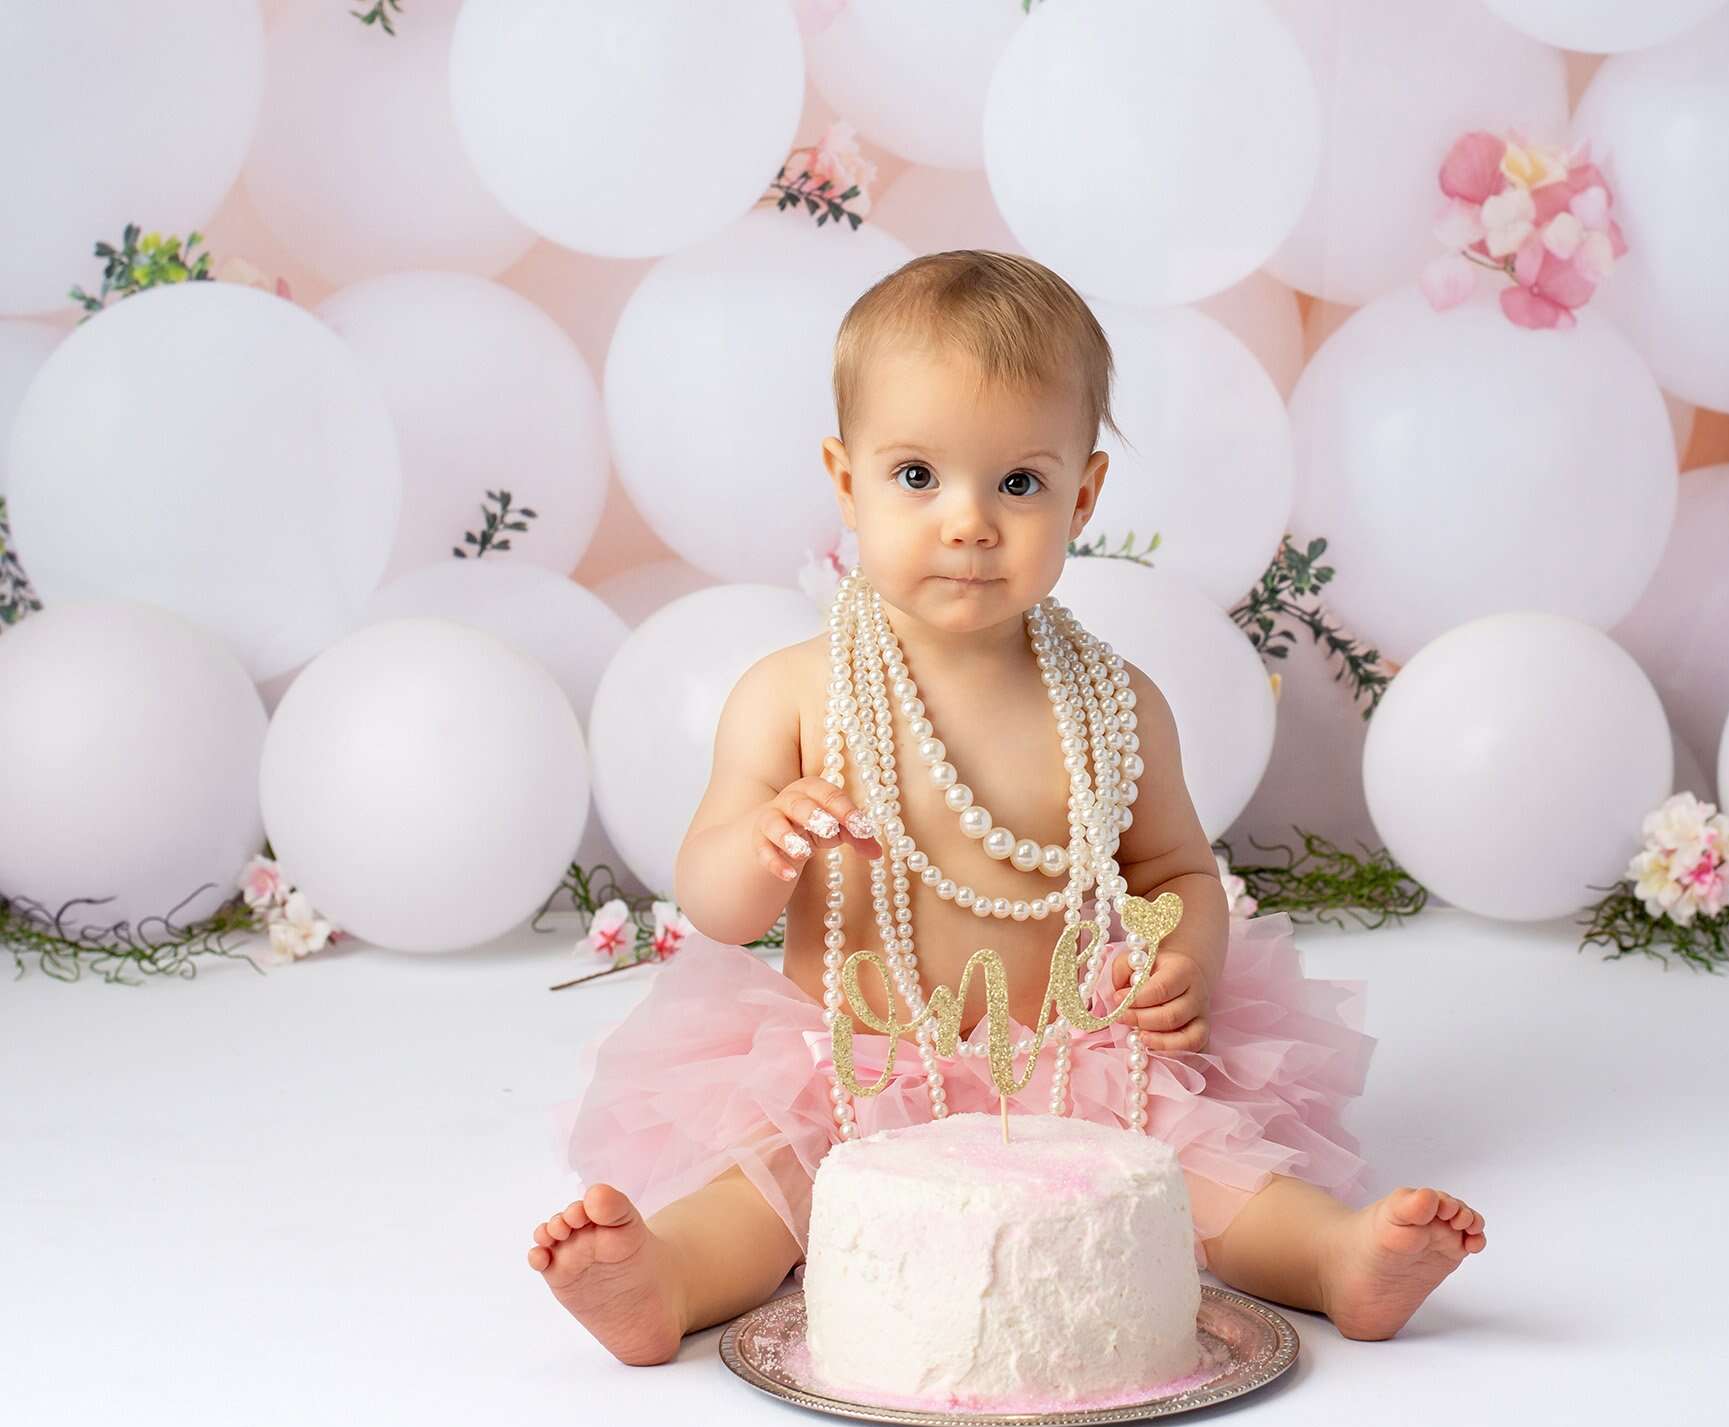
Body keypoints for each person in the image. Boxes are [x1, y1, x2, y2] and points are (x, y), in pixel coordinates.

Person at [527, 250, 1486, 1366]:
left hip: (1067, 1055)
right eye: (918, 477)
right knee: (769, 1182)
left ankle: (1331, 1259)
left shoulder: (1116, 705)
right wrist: (764, 841)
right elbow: (713, 902)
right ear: (845, 482)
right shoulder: (793, 694)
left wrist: (1183, 964)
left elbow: (1175, 873)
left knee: (1201, 1175)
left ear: (1081, 495)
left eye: (1018, 484)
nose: (969, 522)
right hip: (854, 1053)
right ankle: (669, 1279)